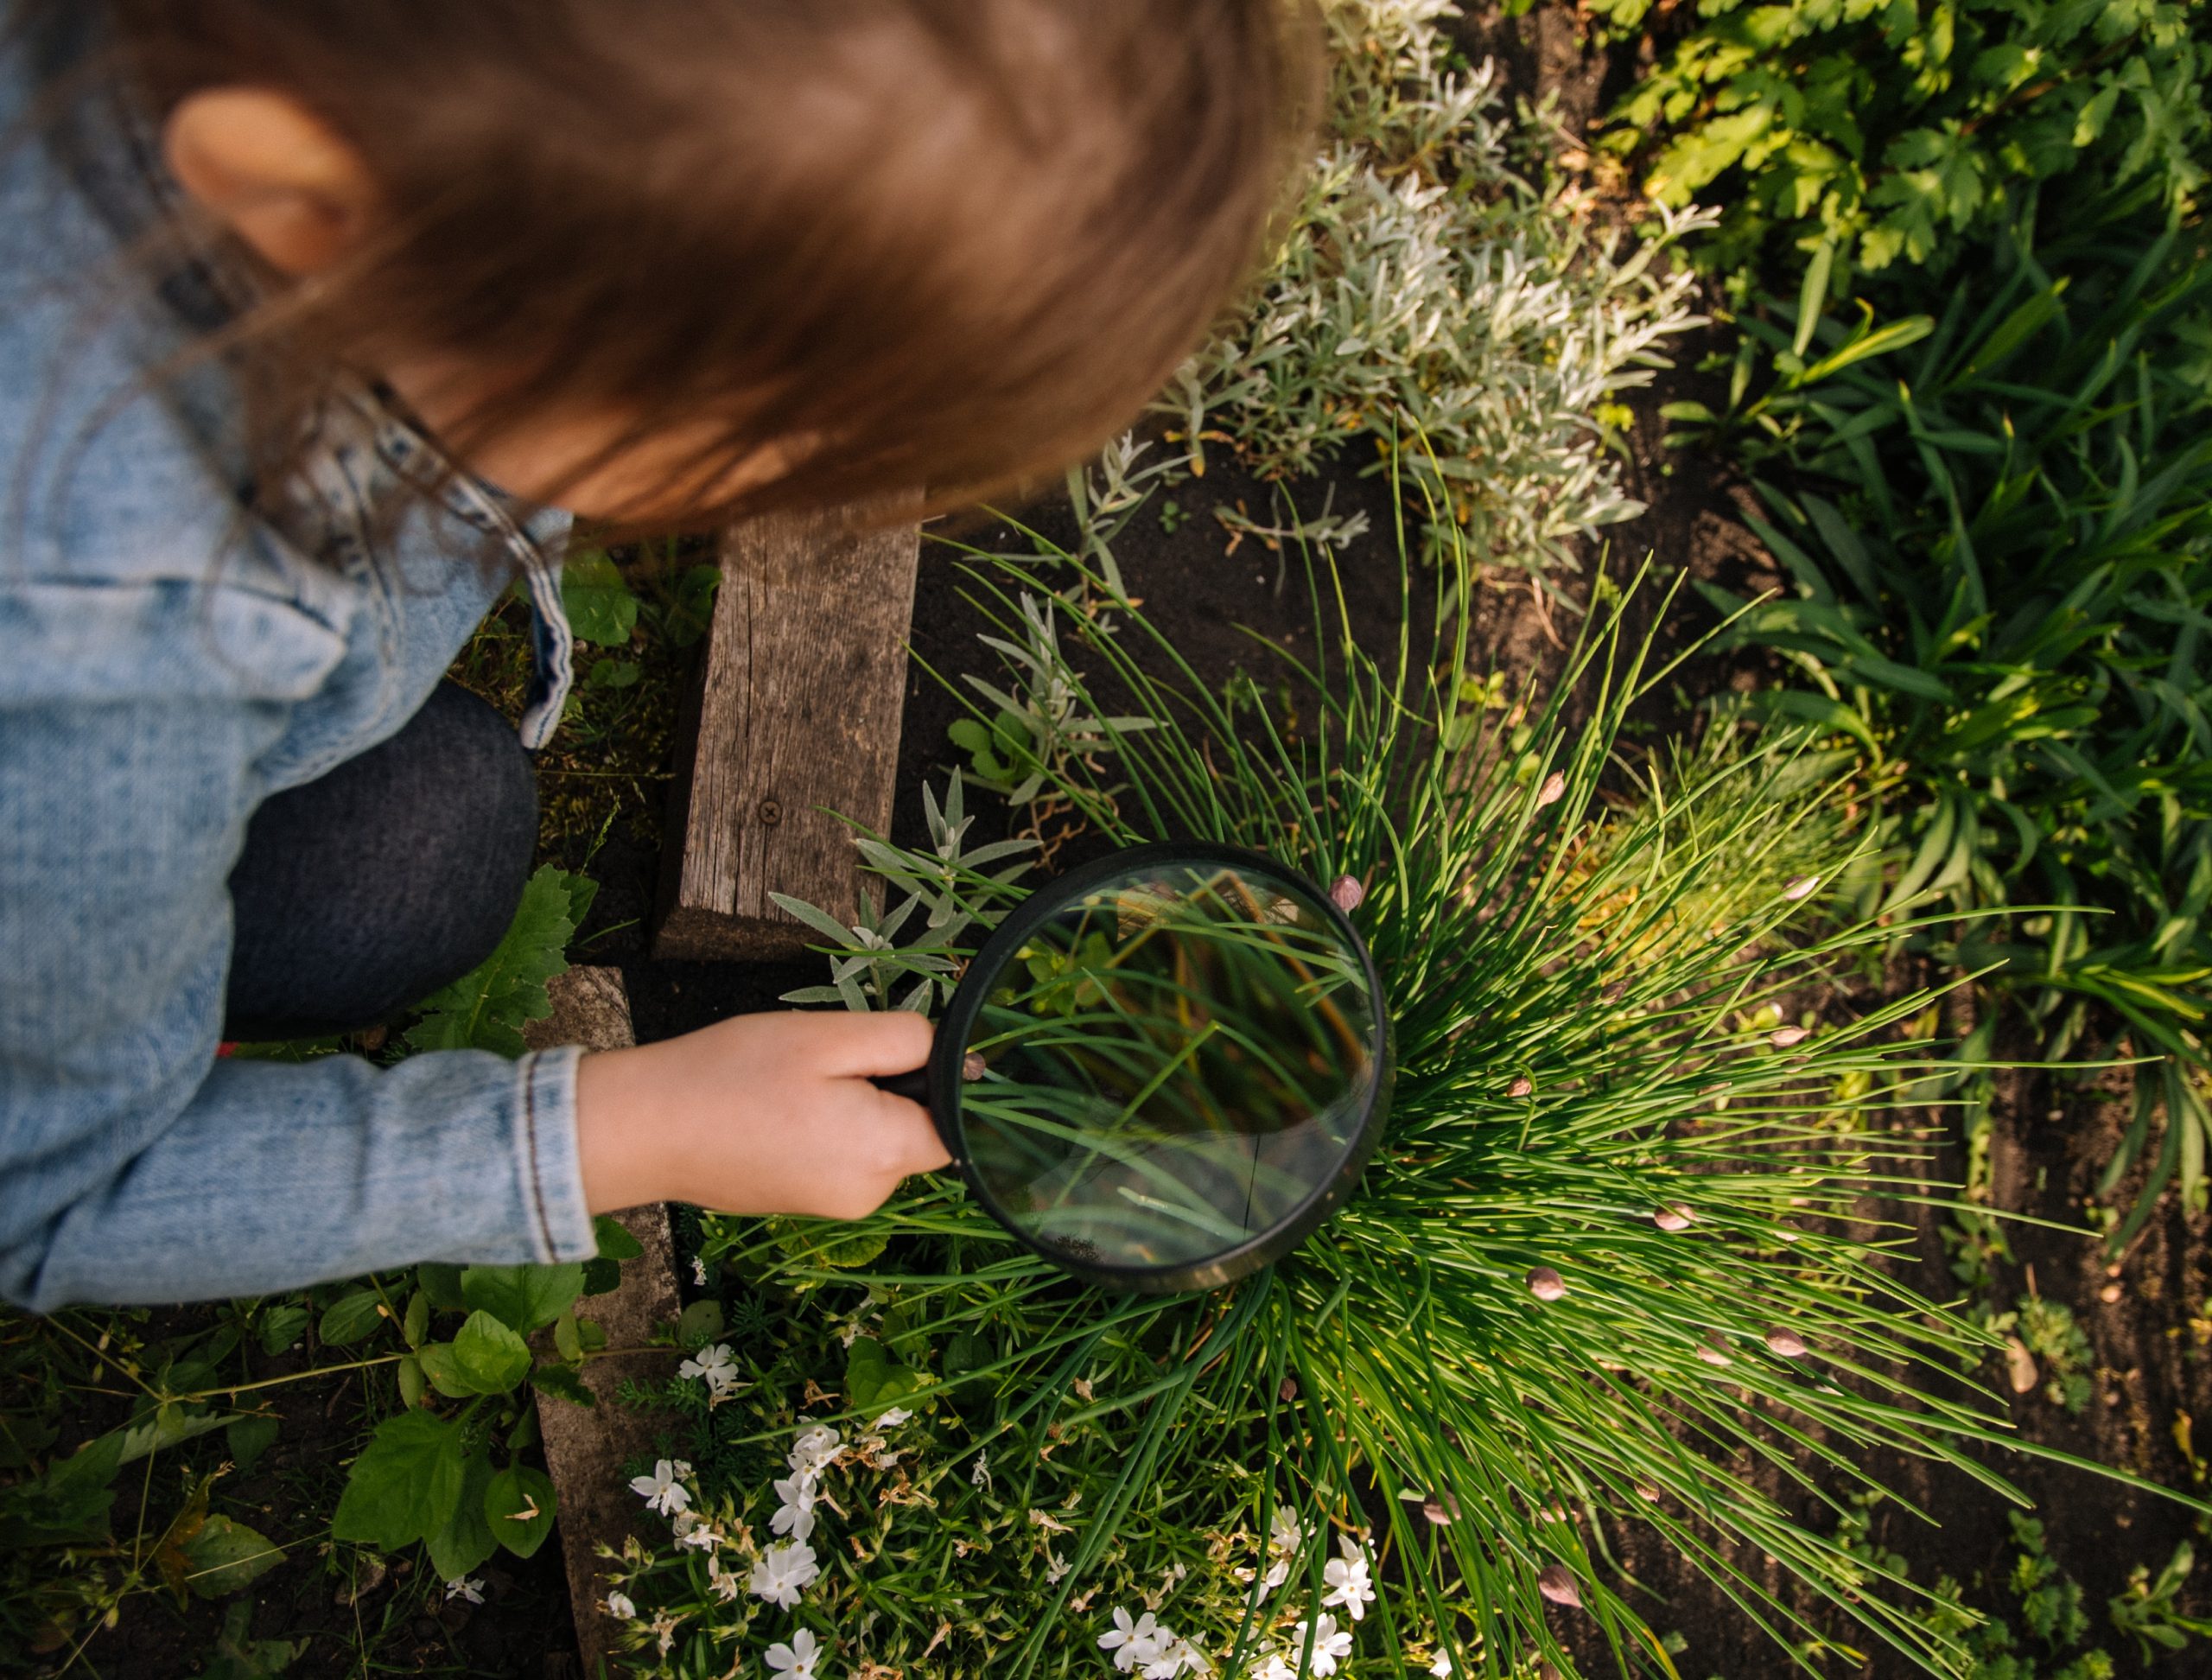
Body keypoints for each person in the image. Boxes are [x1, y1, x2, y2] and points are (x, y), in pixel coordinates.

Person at [0, 1, 1317, 1309]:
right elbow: (47, 1200)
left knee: (438, 832)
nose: (788, 494)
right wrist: (632, 1128)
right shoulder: (110, 619)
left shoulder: (409, 162)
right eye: (774, 435)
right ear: (308, 198)